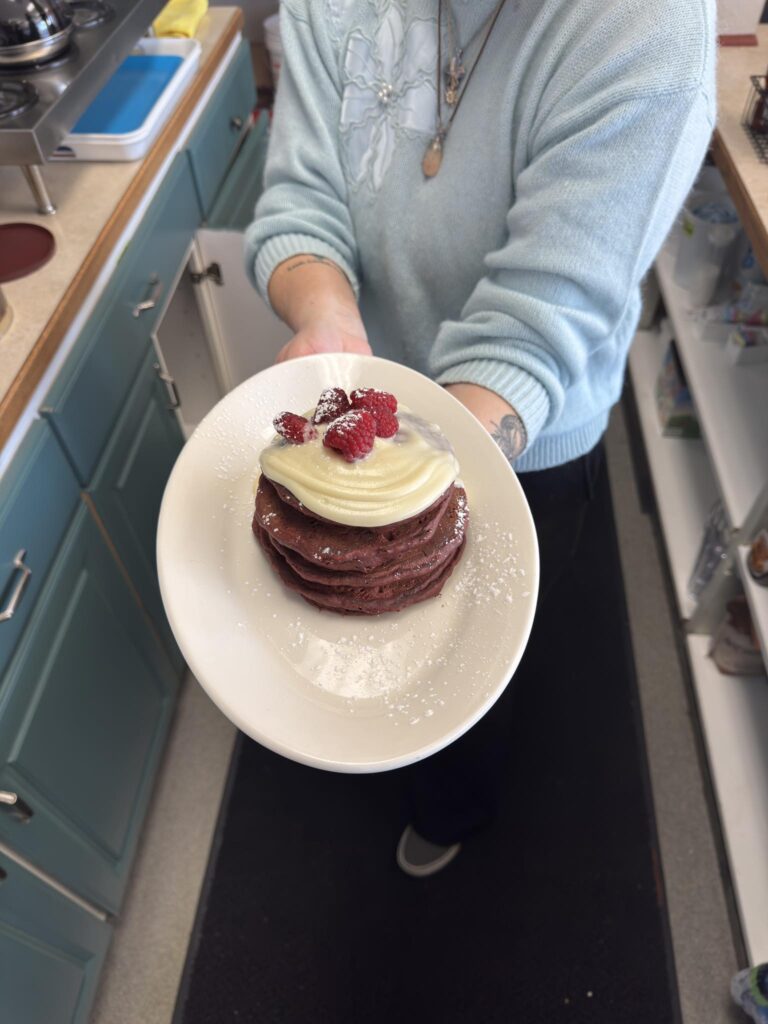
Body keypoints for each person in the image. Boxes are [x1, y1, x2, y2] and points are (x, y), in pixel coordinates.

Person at [245, 0, 716, 876]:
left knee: (473, 666)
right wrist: (330, 319)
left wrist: (400, 484)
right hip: (366, 388)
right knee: (366, 631)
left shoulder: (649, 30)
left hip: (524, 439)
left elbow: (539, 319)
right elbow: (300, 199)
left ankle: (454, 806)